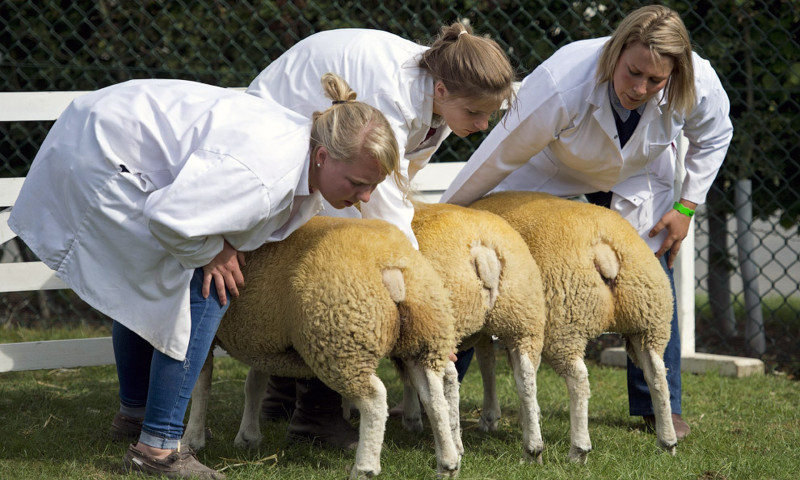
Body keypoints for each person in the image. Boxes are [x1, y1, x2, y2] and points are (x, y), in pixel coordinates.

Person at [8, 73, 400, 479]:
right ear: (322, 157)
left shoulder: (300, 147)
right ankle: (157, 448)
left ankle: (135, 416)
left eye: (372, 186)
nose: (365, 197)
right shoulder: (266, 173)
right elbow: (172, 217)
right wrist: (213, 251)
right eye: (358, 183)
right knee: (208, 286)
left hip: (102, 132)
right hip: (101, 155)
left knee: (149, 285)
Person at [440, 5, 733, 441]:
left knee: (651, 270)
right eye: (633, 72)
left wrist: (686, 207)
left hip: (638, 171)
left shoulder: (696, 79)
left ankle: (660, 406)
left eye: (655, 81)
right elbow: (496, 156)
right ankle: (440, 389)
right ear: (617, 51)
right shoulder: (563, 82)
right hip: (551, 163)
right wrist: (449, 218)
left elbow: (715, 135)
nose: (640, 87)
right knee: (483, 250)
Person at [245, 22, 516, 448]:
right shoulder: (390, 94)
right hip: (283, 132)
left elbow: (405, 173)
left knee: (331, 254)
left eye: (489, 115)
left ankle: (283, 396)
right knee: (345, 271)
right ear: (442, 91)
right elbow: (383, 204)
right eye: (476, 114)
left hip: (330, 149)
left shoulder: (439, 104)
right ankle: (316, 416)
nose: (482, 124)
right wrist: (426, 302)